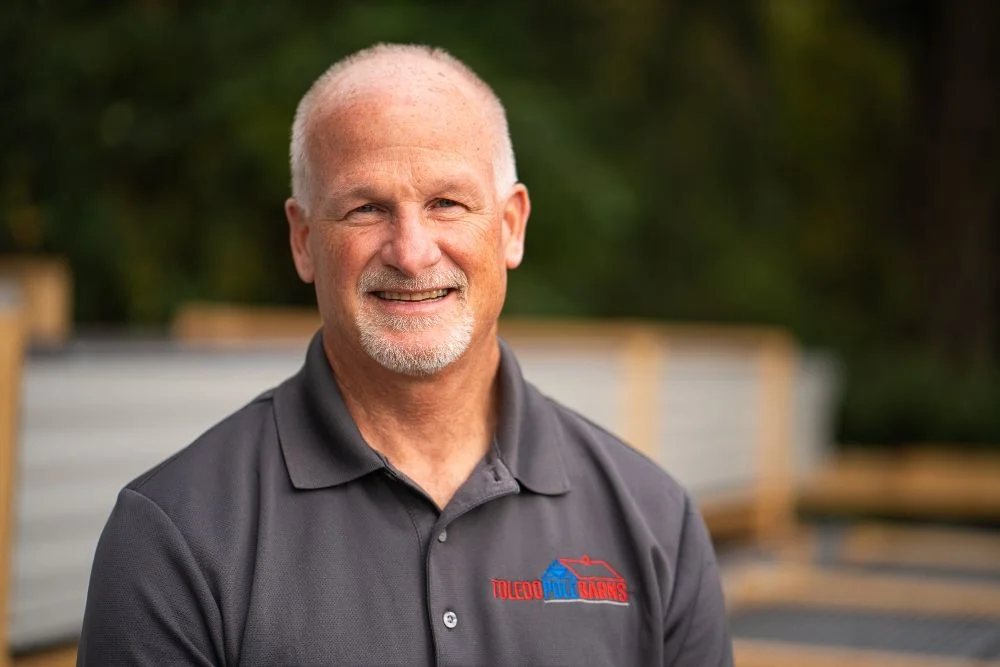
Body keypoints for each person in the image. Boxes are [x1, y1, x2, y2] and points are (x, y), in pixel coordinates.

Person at [78, 43, 733, 666]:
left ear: (510, 226)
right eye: (366, 208)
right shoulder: (173, 535)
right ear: (304, 240)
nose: (412, 250)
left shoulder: (655, 521)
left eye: (446, 203)